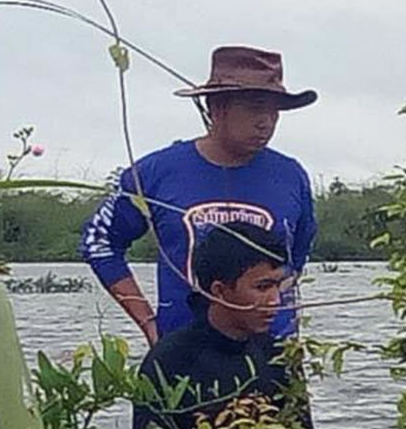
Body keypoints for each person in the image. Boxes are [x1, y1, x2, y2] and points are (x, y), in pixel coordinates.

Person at [132, 224, 395, 429]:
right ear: (220, 290)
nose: (274, 301)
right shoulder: (169, 361)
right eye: (262, 287)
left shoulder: (277, 357)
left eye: (279, 287)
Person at [82, 46, 318, 347]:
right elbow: (99, 243)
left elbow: (295, 258)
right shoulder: (156, 173)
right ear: (216, 108)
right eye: (255, 108)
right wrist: (148, 322)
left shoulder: (290, 175)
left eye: (274, 112)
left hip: (275, 360)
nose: (266, 122)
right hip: (184, 358)